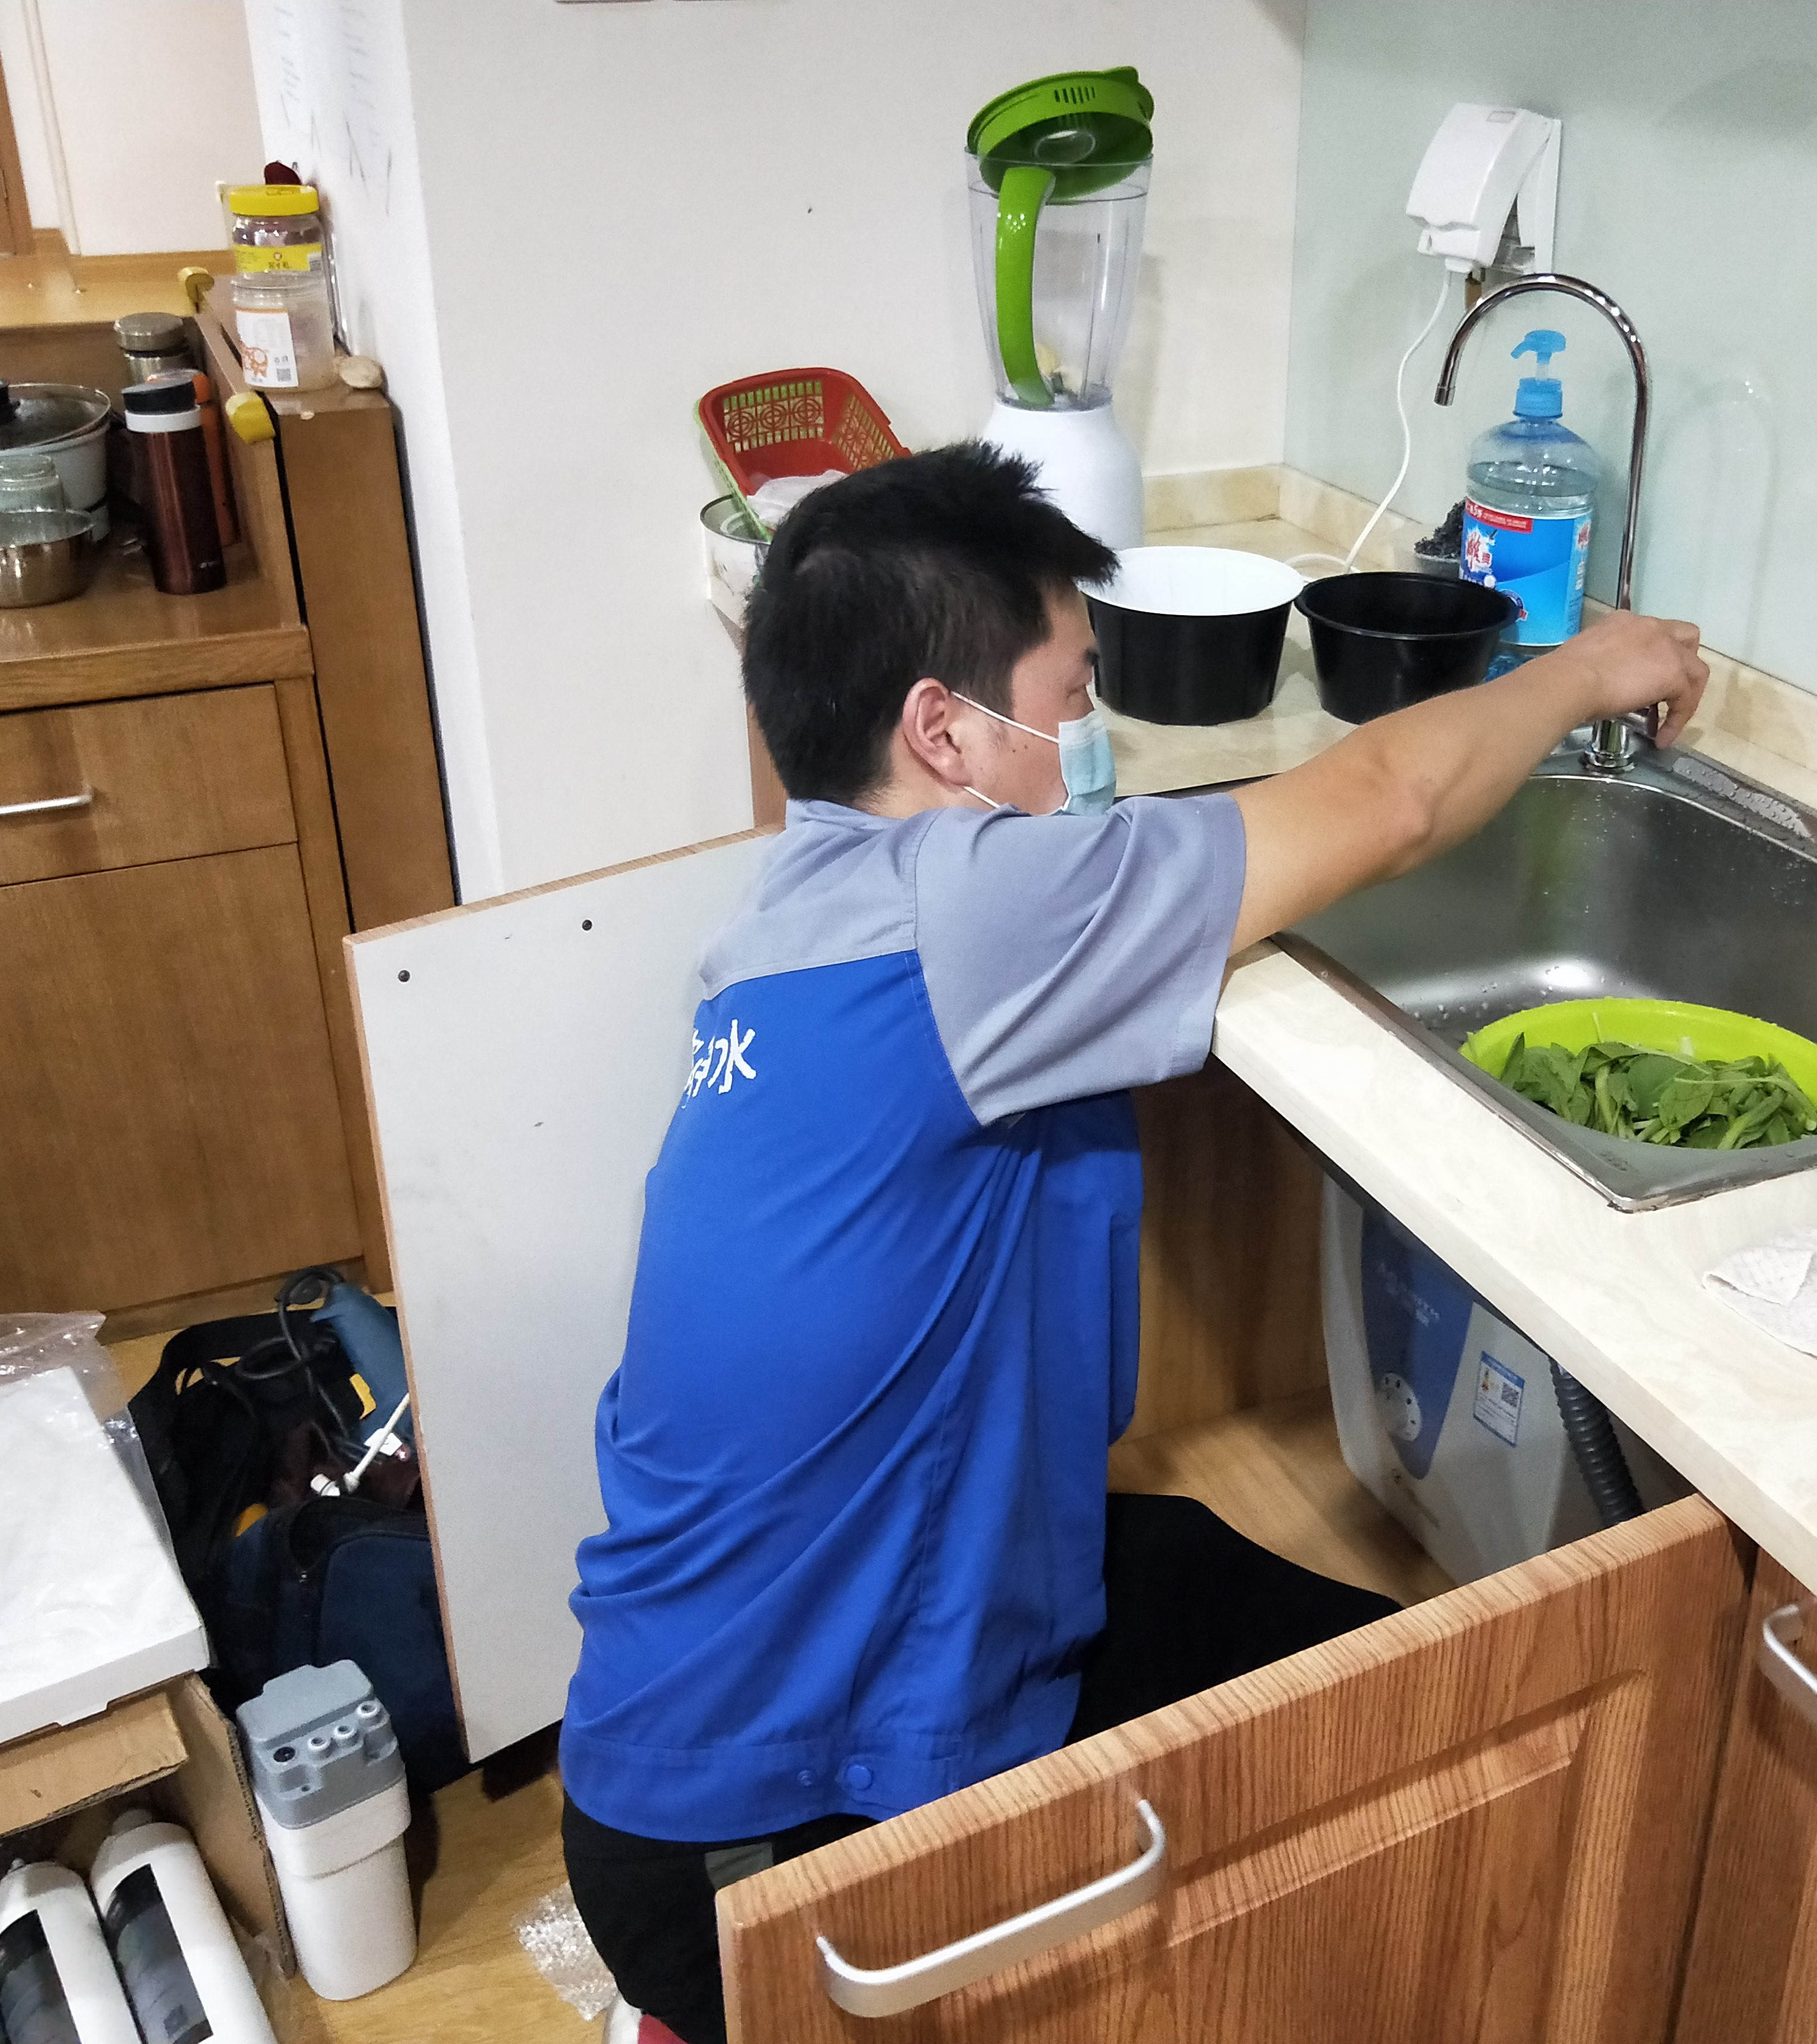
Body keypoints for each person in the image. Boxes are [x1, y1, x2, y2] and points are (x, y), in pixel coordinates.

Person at [561, 444, 1706, 2042]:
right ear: (942, 732)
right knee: (1448, 1749)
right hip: (763, 1851)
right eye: (1072, 690)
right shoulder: (977, 913)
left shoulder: (791, 919)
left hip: (666, 1759)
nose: (1091, 730)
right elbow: (1391, 800)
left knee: (1220, 1585)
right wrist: (1587, 667)